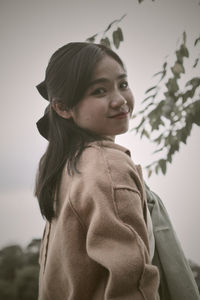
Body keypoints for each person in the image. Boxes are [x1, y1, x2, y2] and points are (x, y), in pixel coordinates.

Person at [35, 42, 160, 300]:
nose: (120, 100)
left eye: (123, 85)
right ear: (62, 107)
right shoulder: (108, 165)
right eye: (100, 91)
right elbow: (132, 285)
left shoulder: (62, 165)